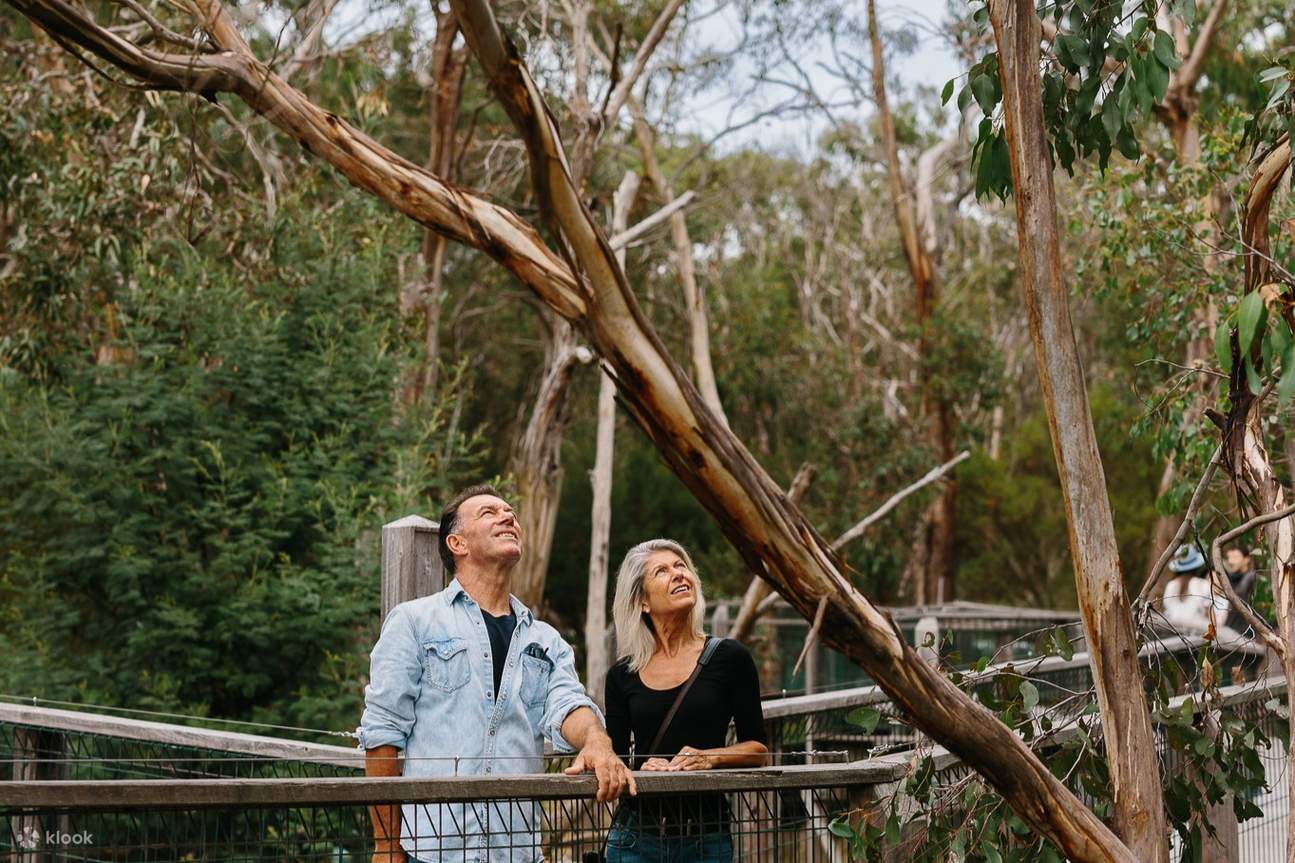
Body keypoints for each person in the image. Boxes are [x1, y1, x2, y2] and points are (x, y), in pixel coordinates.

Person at [357, 485, 634, 863]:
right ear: (457, 543)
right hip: (434, 853)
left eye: (510, 512)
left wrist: (596, 741)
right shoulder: (414, 622)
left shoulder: (544, 639)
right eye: (489, 512)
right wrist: (387, 846)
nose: (508, 517)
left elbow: (568, 704)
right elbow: (383, 733)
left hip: (518, 854)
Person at [602, 539, 769, 863]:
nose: (679, 574)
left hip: (706, 838)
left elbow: (758, 750)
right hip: (637, 839)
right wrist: (642, 768)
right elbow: (618, 761)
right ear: (643, 602)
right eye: (662, 571)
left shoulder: (730, 657)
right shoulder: (621, 675)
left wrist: (708, 758)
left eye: (681, 566)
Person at [1161, 545, 1215, 634]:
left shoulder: (1171, 585)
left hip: (1174, 633)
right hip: (1198, 635)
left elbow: (1167, 611)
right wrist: (1212, 635)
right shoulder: (1203, 584)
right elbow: (1210, 614)